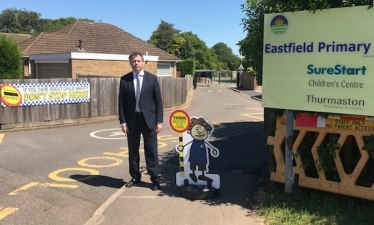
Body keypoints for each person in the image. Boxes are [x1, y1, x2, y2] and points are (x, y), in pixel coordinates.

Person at [118, 52, 163, 191]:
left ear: (143, 62)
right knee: (133, 151)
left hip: (149, 121)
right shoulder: (124, 80)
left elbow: (158, 102)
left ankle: (155, 179)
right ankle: (135, 177)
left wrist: (159, 121)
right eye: (133, 61)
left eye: (138, 61)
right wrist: (123, 122)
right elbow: (121, 104)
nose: (136, 63)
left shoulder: (152, 79)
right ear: (130, 63)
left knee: (151, 151)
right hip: (132, 121)